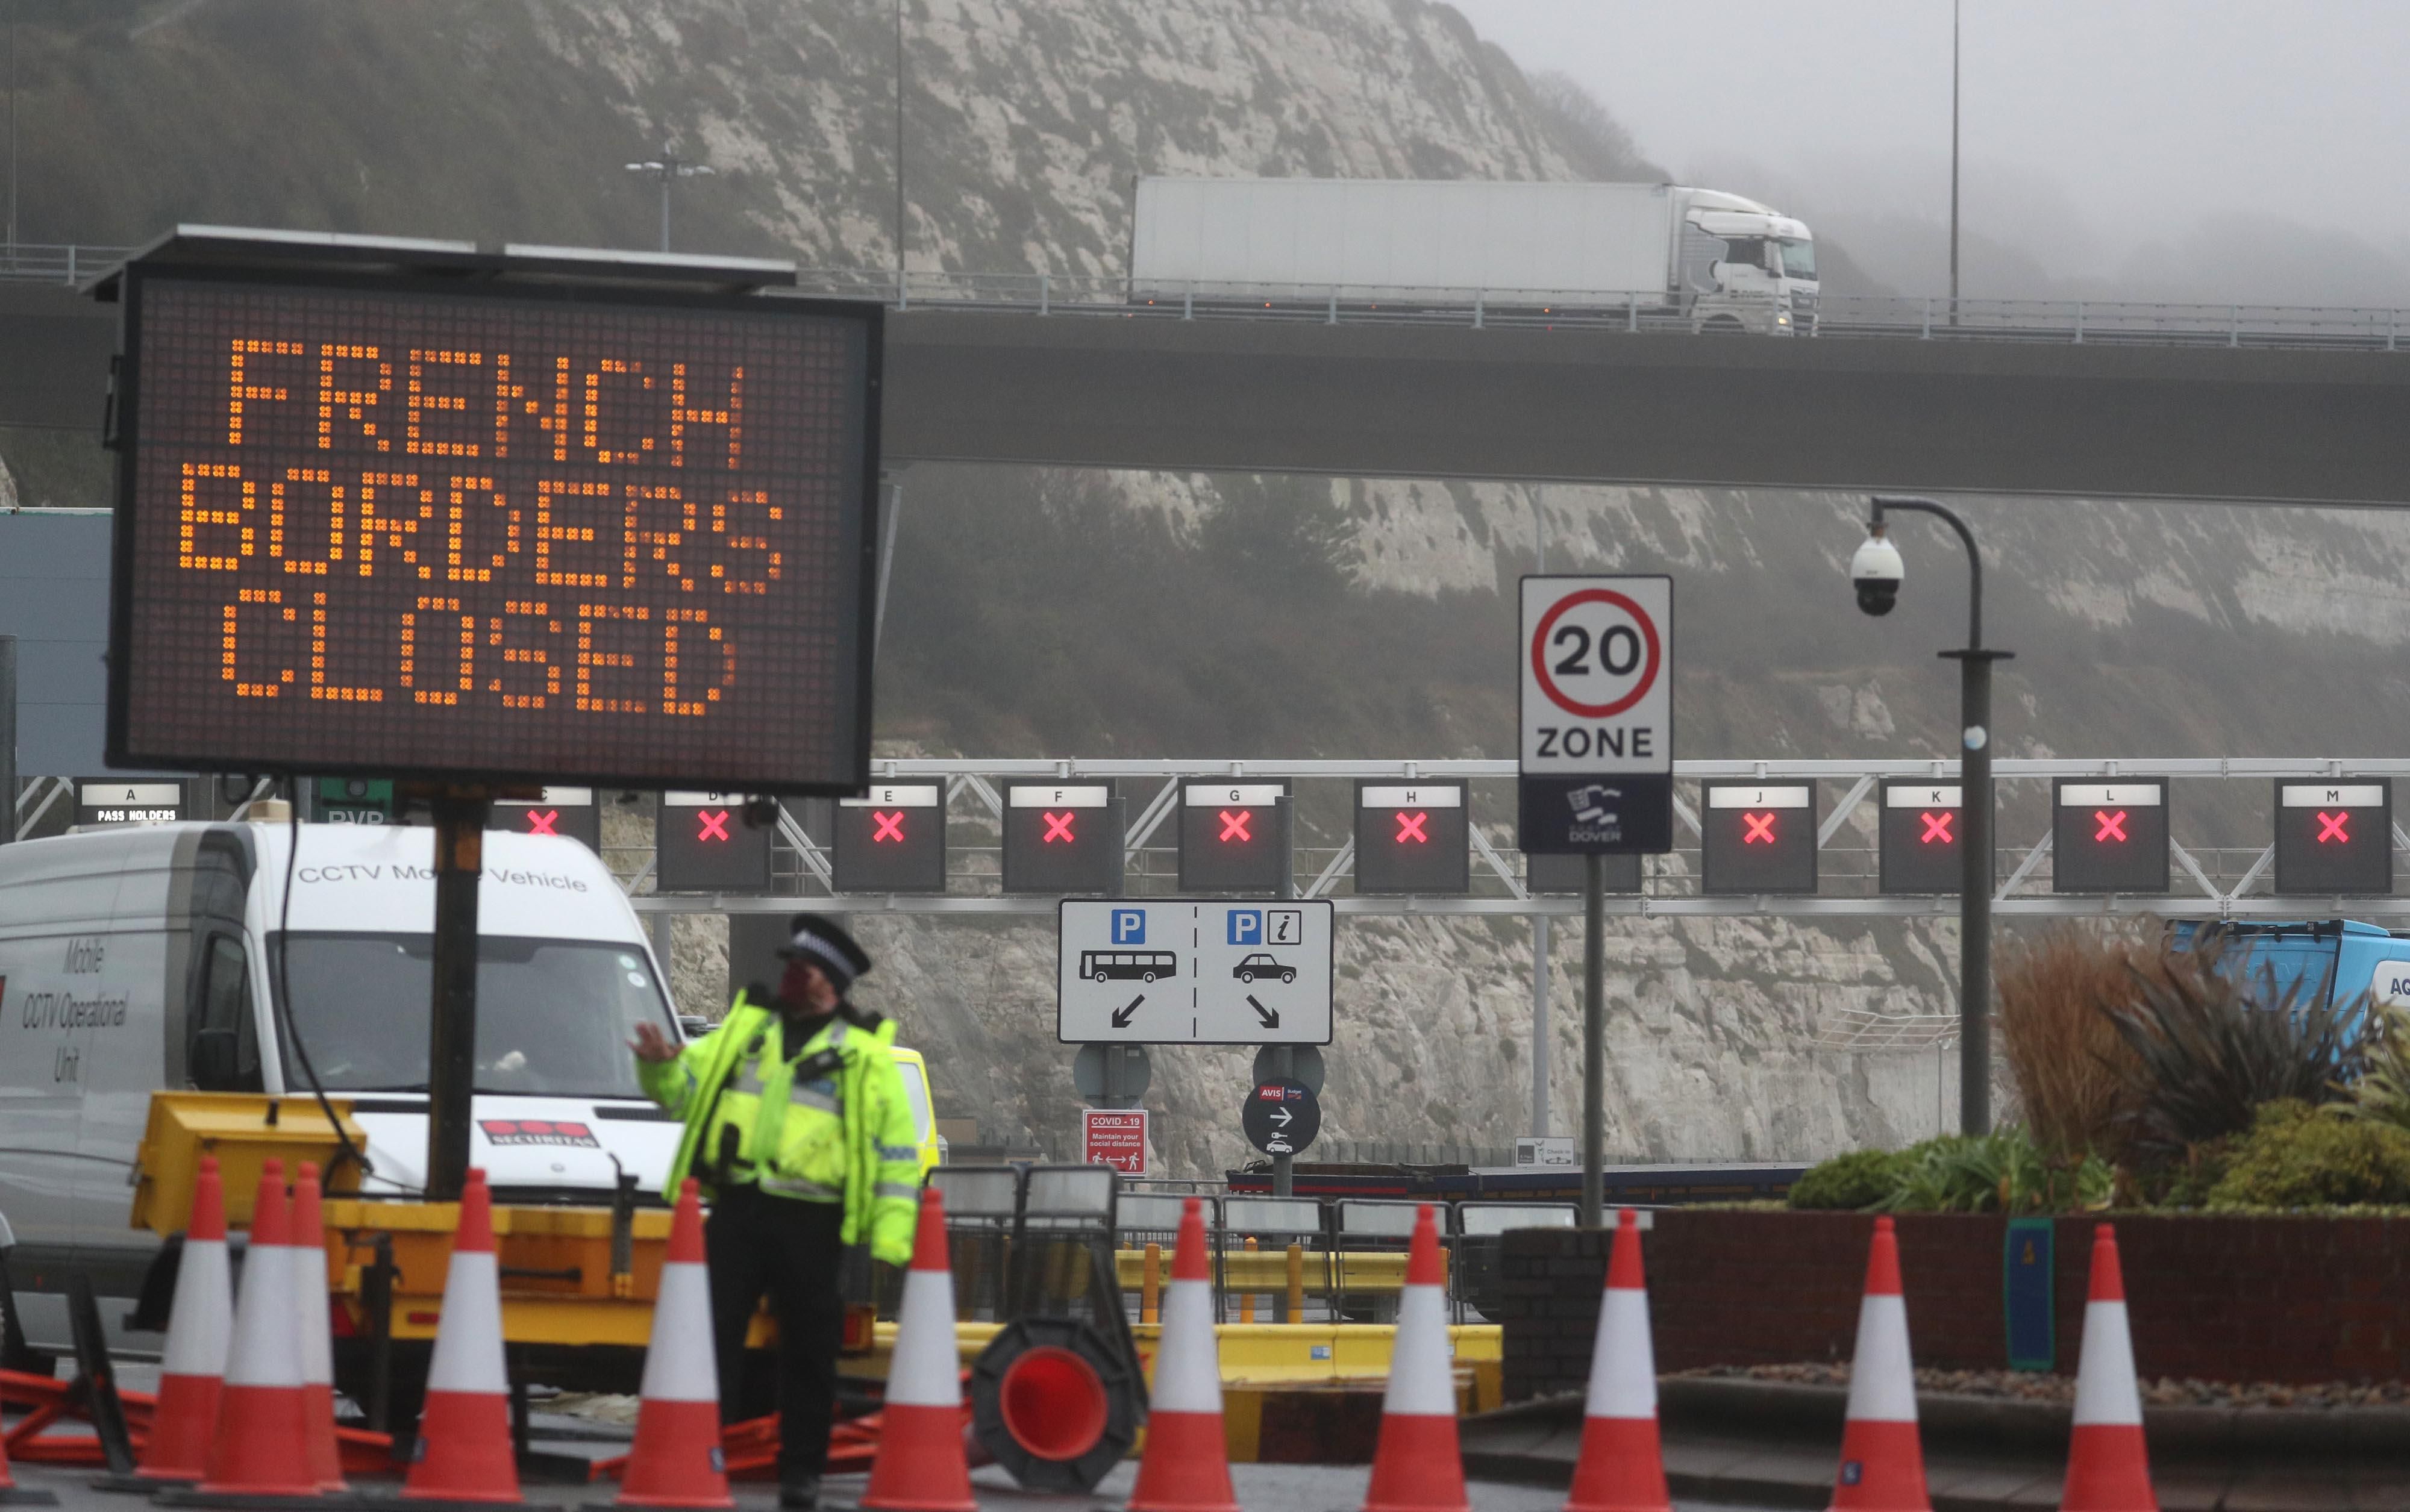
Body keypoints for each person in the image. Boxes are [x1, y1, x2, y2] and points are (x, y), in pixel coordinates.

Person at [630, 914, 921, 1510]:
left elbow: (895, 1157)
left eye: (802, 968)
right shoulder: (745, 1032)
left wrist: (893, 1241)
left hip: (813, 1221)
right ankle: (700, 1453)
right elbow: (682, 1091)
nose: (789, 975)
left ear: (830, 984)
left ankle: (801, 1473)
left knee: (809, 1353)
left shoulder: (863, 1057)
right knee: (707, 1338)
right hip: (738, 1207)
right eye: (789, 965)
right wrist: (660, 1062)